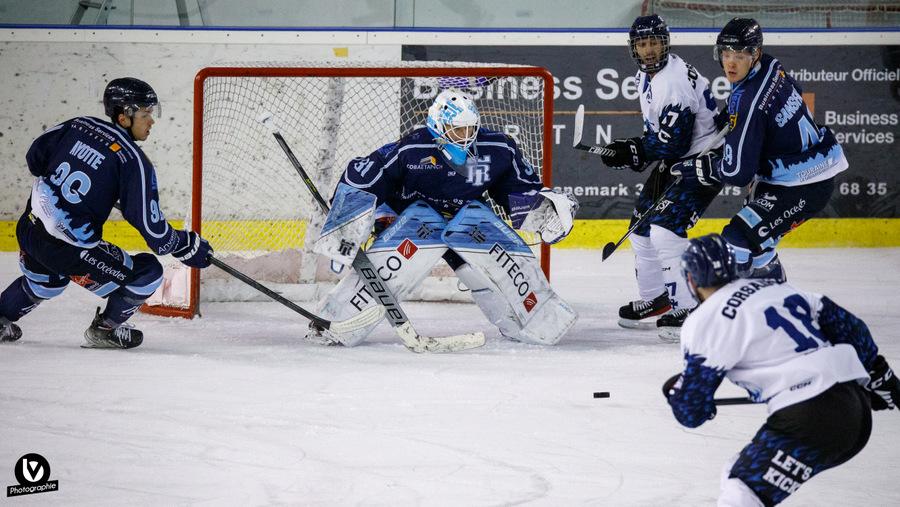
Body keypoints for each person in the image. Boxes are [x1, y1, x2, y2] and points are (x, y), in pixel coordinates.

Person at [306, 89, 579, 347]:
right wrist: (349, 222)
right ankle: (335, 321)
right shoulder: (412, 148)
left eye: (470, 129)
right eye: (457, 129)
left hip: (464, 218)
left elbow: (517, 188)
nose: (465, 136)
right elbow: (364, 175)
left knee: (484, 272)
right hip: (408, 217)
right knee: (385, 270)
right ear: (437, 126)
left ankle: (525, 323)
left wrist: (545, 211)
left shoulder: (498, 148)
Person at [663, 233, 899, 506]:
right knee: (737, 474)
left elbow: (691, 413)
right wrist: (883, 380)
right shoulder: (777, 289)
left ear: (691, 280)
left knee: (742, 494)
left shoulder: (703, 321)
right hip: (854, 408)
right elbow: (852, 330)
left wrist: (680, 398)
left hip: (809, 420)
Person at [0, 78, 213, 349]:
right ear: (124, 117)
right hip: (68, 250)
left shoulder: (78, 124)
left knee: (46, 283)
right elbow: (156, 234)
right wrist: (187, 245)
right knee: (146, 274)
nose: (151, 122)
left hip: (30, 229)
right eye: (145, 114)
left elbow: (35, 159)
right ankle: (105, 330)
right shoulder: (133, 161)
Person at [674, 18, 849, 283]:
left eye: (740, 55)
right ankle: (774, 293)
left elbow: (738, 173)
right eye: (726, 53)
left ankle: (735, 308)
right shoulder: (770, 66)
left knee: (736, 241)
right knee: (758, 245)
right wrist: (732, 123)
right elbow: (770, 108)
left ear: (754, 54)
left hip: (802, 185)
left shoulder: (749, 102)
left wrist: (700, 168)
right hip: (795, 171)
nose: (730, 62)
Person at [597, 14, 723, 341]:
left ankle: (689, 307)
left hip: (703, 160)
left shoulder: (673, 81)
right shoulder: (647, 76)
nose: (649, 49)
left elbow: (675, 141)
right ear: (634, 48)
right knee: (640, 230)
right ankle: (658, 298)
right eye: (642, 43)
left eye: (654, 42)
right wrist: (634, 153)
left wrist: (632, 150)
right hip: (678, 158)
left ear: (665, 43)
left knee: (665, 231)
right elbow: (659, 132)